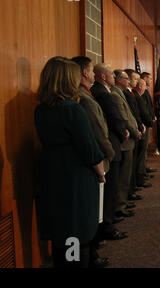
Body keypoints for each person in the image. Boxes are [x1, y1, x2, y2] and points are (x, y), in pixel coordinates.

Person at [35, 57, 106, 268]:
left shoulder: (41, 110)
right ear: (68, 79)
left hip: (52, 175)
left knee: (62, 235)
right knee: (76, 232)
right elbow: (89, 149)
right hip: (75, 178)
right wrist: (101, 172)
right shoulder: (73, 110)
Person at [71, 57, 127, 243]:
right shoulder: (88, 97)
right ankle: (101, 234)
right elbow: (97, 129)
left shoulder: (89, 93)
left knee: (107, 194)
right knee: (103, 197)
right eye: (112, 73)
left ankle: (100, 231)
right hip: (100, 152)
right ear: (86, 73)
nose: (114, 76)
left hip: (102, 149)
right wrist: (110, 152)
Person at [91, 65, 135, 223]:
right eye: (111, 74)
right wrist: (124, 131)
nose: (113, 78)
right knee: (113, 185)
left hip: (117, 139)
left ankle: (116, 210)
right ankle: (110, 219)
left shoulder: (105, 91)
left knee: (119, 180)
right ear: (103, 76)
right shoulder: (103, 93)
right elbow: (115, 117)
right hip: (114, 142)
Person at [111, 69, 142, 210]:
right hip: (125, 139)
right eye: (126, 78)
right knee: (123, 174)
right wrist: (135, 131)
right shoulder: (116, 94)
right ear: (118, 80)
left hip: (130, 136)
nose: (129, 81)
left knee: (126, 172)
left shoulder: (119, 93)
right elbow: (124, 117)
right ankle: (120, 205)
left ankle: (122, 201)